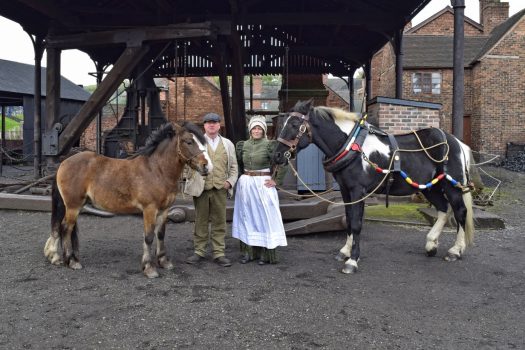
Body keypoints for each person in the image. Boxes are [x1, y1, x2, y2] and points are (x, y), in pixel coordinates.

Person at [232, 115, 288, 265]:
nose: (256, 131)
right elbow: (237, 164)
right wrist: (239, 179)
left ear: (263, 130)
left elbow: (283, 162)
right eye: (254, 128)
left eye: (259, 128)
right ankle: (249, 253)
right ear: (250, 129)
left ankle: (265, 253)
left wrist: (276, 180)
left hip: (263, 184)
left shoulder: (270, 145)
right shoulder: (242, 145)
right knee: (247, 217)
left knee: (264, 217)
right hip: (246, 185)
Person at [185, 113, 238, 267]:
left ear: (219, 125)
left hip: (221, 188)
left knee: (220, 222)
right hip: (202, 188)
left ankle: (219, 253)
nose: (211, 125)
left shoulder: (228, 144)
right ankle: (199, 251)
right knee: (200, 221)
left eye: (214, 122)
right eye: (208, 123)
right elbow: (188, 162)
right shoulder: (195, 143)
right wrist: (190, 178)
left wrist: (230, 181)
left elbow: (234, 167)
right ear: (204, 126)